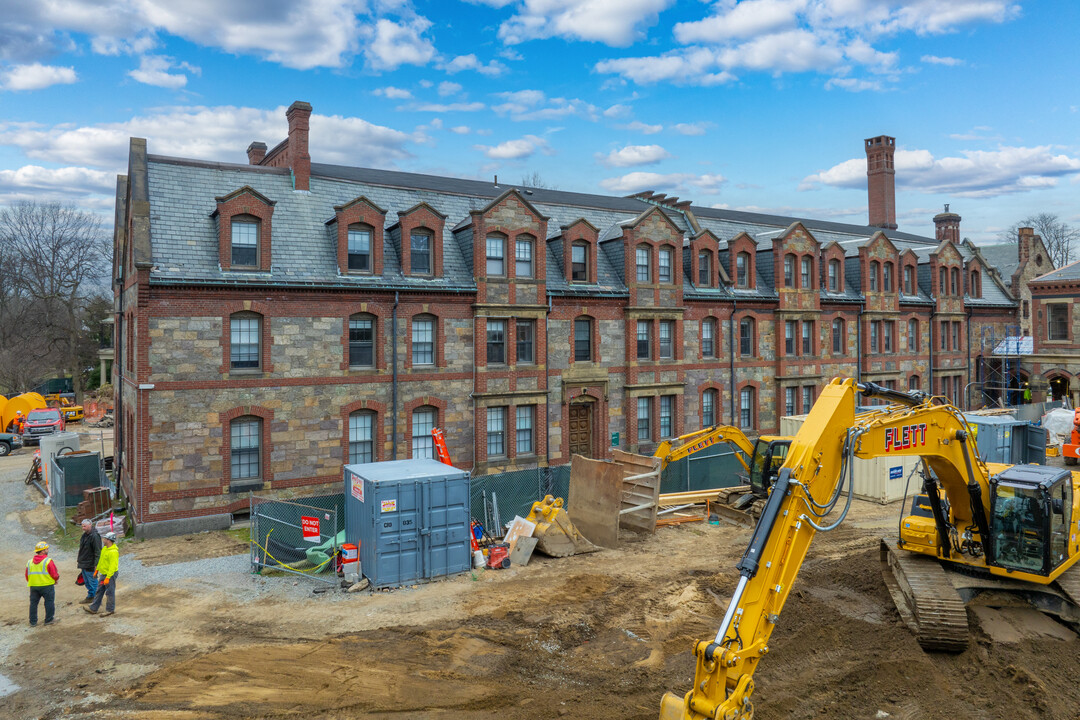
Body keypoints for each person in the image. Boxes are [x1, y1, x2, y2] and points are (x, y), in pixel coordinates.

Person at [26, 541, 59, 626]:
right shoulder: (48, 561)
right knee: (49, 602)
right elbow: (54, 573)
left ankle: (33, 622)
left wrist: (33, 582)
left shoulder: (29, 562)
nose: (48, 550)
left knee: (33, 604)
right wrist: (55, 579)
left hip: (33, 586)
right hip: (47, 586)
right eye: (46, 549)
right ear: (43, 551)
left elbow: (27, 575)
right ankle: (49, 619)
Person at [85, 531, 118, 616]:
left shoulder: (113, 552)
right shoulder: (104, 549)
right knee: (99, 591)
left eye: (105, 539)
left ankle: (110, 610)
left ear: (109, 540)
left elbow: (112, 566)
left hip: (110, 575)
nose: (103, 540)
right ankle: (93, 608)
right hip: (104, 574)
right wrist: (97, 570)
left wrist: (108, 577)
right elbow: (101, 561)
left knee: (109, 592)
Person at [76, 519, 101, 604]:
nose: (83, 528)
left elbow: (98, 551)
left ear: (90, 525)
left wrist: (96, 564)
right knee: (87, 582)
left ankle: (97, 601)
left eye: (84, 526)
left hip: (90, 564)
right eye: (82, 526)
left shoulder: (94, 536)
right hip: (84, 563)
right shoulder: (85, 535)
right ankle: (91, 597)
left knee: (93, 582)